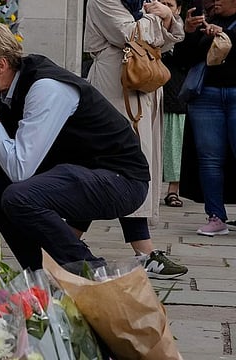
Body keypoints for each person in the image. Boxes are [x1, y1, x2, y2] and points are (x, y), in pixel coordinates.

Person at [0, 22, 174, 278]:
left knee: (18, 195)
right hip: (80, 172)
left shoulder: (45, 87)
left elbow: (19, 169)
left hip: (121, 180)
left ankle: (91, 270)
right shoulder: (2, 91)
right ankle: (37, 270)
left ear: (1, 65)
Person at [82, 0, 188, 278]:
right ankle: (143, 253)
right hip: (115, 85)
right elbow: (130, 33)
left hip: (141, 82)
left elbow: (166, 42)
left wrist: (165, 18)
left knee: (123, 167)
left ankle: (63, 241)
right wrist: (160, 17)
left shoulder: (140, 0)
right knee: (114, 165)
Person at [174, 0, 236, 236]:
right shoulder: (205, 20)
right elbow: (182, 61)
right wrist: (189, 32)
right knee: (209, 159)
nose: (214, 1)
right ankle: (215, 216)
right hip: (206, 96)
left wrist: (225, 35)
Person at [161, 0, 187, 207]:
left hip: (175, 95)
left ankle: (173, 190)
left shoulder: (185, 32)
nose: (164, 6)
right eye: (161, 2)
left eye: (169, 3)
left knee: (174, 146)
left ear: (177, 9)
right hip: (149, 93)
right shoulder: (145, 25)